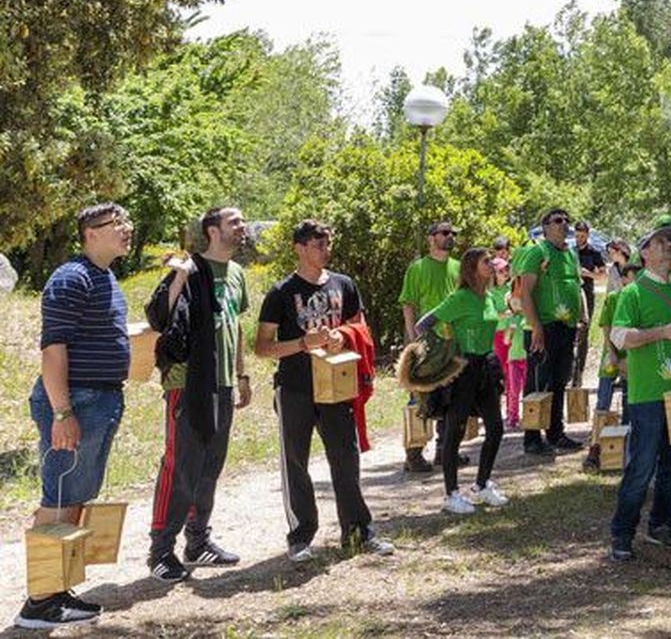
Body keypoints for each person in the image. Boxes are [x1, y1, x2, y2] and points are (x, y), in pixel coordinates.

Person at [14, 203, 133, 630]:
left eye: (125, 221)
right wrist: (62, 411)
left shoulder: (105, 277)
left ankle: (56, 589)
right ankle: (39, 602)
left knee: (75, 495)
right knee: (59, 497)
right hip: (75, 403)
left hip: (97, 400)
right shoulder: (71, 278)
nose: (126, 229)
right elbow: (53, 350)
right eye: (116, 224)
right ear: (90, 234)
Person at [255, 219, 392, 560]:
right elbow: (262, 346)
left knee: (346, 459)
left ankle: (358, 532)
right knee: (295, 461)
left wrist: (342, 336)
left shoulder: (344, 284)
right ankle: (301, 536)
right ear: (299, 248)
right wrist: (303, 342)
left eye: (328, 244)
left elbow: (359, 325)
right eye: (318, 244)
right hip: (295, 387)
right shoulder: (281, 292)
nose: (326, 250)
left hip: (337, 386)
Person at [146, 207, 253, 582]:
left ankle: (197, 541)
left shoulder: (238, 274)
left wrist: (241, 374)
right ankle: (161, 550)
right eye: (235, 223)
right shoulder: (187, 268)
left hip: (222, 384)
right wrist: (178, 274)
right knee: (181, 467)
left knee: (210, 466)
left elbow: (236, 326)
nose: (243, 228)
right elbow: (159, 316)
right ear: (213, 230)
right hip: (186, 383)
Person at [607, 225, 671, 561]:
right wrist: (661, 332)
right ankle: (622, 533)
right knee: (642, 465)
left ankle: (662, 524)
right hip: (648, 394)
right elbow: (620, 337)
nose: (669, 248)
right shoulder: (632, 293)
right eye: (659, 243)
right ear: (644, 253)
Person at [415, 247, 509, 514]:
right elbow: (424, 324)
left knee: (496, 427)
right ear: (471, 268)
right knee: (453, 431)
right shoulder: (460, 298)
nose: (492, 265)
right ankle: (451, 495)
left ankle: (481, 486)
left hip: (486, 366)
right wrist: (443, 348)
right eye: (486, 261)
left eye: (491, 260)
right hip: (463, 369)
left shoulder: (489, 297)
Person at [514, 209, 589, 455]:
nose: (564, 224)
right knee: (537, 384)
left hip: (565, 328)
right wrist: (535, 327)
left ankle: (556, 433)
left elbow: (576, 287)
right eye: (558, 221)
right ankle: (532, 438)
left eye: (566, 220)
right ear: (545, 226)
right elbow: (525, 292)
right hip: (542, 329)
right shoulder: (538, 251)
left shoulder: (570, 254)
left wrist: (580, 320)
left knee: (559, 382)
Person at [399, 222, 461, 473]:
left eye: (452, 234)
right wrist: (413, 337)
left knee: (451, 398)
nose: (450, 237)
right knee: (420, 397)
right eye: (445, 233)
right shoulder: (418, 268)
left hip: (452, 342)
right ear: (431, 238)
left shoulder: (458, 267)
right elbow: (408, 304)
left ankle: (444, 452)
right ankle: (413, 455)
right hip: (426, 343)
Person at [583, 261, 637, 471]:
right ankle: (595, 449)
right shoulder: (614, 298)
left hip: (630, 359)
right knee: (603, 404)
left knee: (628, 403)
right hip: (611, 357)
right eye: (631, 278)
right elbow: (606, 326)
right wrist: (613, 354)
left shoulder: (637, 299)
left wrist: (628, 360)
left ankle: (623, 451)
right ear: (623, 279)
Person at [491, 256, 527, 429]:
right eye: (501, 271)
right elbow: (489, 314)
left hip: (515, 336)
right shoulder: (489, 292)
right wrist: (505, 315)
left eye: (506, 269)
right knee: (505, 373)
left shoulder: (511, 287)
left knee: (517, 378)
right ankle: (510, 413)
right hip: (500, 333)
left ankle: (514, 412)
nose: (505, 273)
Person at [572, 221, 606, 385]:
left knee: (584, 331)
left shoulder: (594, 252)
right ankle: (569, 370)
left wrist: (587, 274)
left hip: (587, 293)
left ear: (588, 235)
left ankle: (580, 371)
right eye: (577, 235)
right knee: (570, 331)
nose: (579, 238)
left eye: (582, 235)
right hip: (571, 295)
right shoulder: (570, 251)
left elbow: (602, 275)